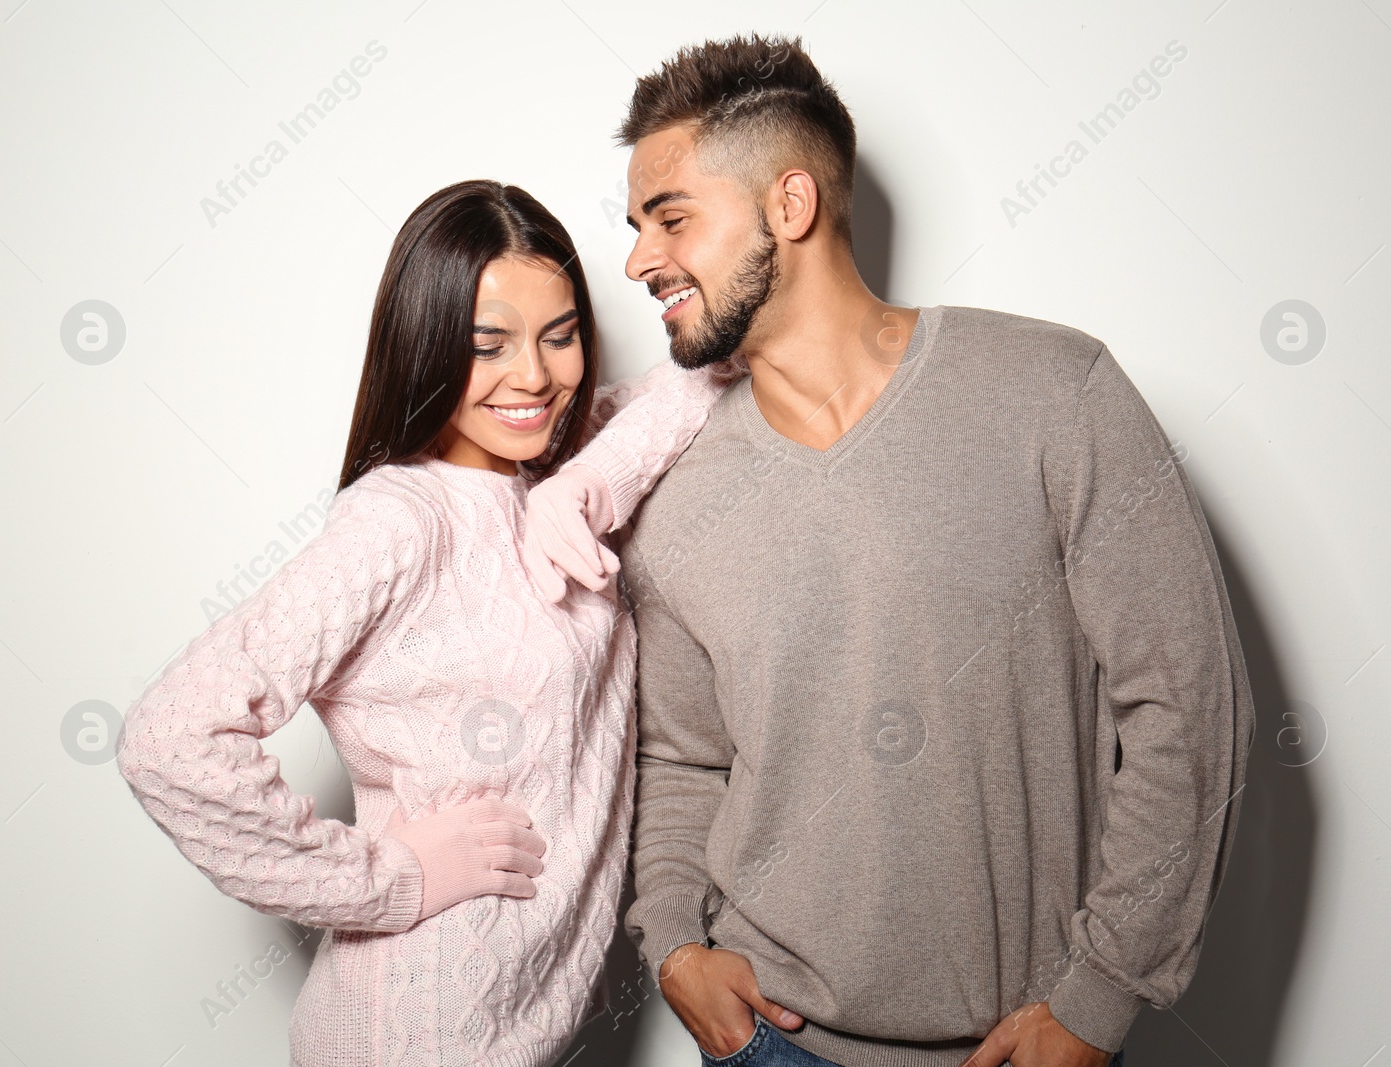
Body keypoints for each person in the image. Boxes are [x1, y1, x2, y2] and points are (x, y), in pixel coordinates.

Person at [533, 33, 1254, 1067]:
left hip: (1026, 1043)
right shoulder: (674, 497)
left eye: (672, 217)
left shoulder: (1053, 393)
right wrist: (676, 941)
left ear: (790, 206)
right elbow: (680, 753)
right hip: (769, 1041)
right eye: (640, 224)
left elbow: (1186, 700)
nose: (638, 258)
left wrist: (1101, 995)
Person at [115, 178, 745, 1067]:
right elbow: (168, 741)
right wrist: (390, 879)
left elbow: (709, 369)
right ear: (427, 345)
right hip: (412, 1034)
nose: (534, 376)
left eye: (559, 336)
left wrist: (586, 484)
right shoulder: (402, 519)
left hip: (527, 1034)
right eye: (486, 346)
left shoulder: (553, 470)